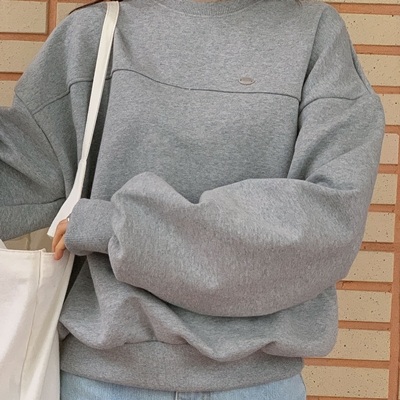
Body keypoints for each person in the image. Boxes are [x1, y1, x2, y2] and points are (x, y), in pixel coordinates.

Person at [0, 0, 385, 398]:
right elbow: (22, 180)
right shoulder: (95, 32)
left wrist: (120, 228)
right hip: (101, 383)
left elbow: (328, 222)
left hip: (254, 385)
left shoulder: (315, 33)